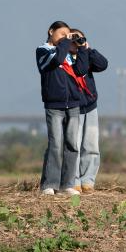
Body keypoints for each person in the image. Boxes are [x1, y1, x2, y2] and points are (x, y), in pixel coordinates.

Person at [35, 21, 89, 196]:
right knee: (56, 145)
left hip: (73, 103)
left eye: (68, 35)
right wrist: (66, 42)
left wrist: (82, 48)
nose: (65, 38)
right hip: (54, 105)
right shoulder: (43, 51)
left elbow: (81, 70)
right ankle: (49, 184)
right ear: (51, 31)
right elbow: (56, 60)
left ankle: (67, 185)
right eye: (62, 34)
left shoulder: (67, 53)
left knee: (72, 145)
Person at [70, 28, 108, 194]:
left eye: (79, 37)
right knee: (74, 145)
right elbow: (80, 70)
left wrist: (86, 48)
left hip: (90, 105)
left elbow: (103, 64)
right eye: (73, 38)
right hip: (74, 107)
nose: (76, 41)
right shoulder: (64, 58)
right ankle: (74, 180)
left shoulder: (85, 53)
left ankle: (88, 181)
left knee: (91, 146)